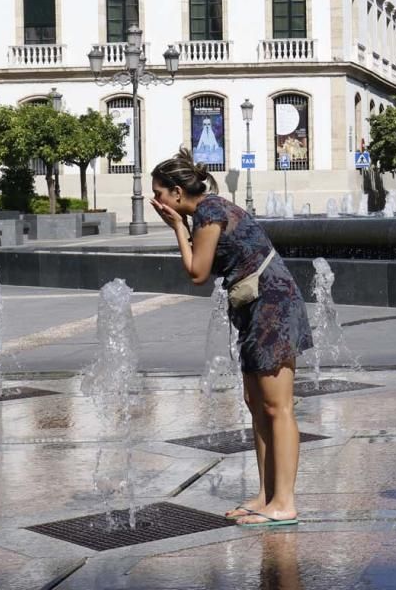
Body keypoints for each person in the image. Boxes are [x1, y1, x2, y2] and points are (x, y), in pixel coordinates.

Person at [149, 148, 312, 528]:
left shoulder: (208, 212)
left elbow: (196, 272)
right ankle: (266, 494)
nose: (155, 201)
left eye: (158, 194)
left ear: (176, 193)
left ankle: (284, 502)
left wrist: (175, 227)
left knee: (278, 406)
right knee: (256, 402)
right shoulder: (208, 210)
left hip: (272, 307)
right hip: (257, 308)